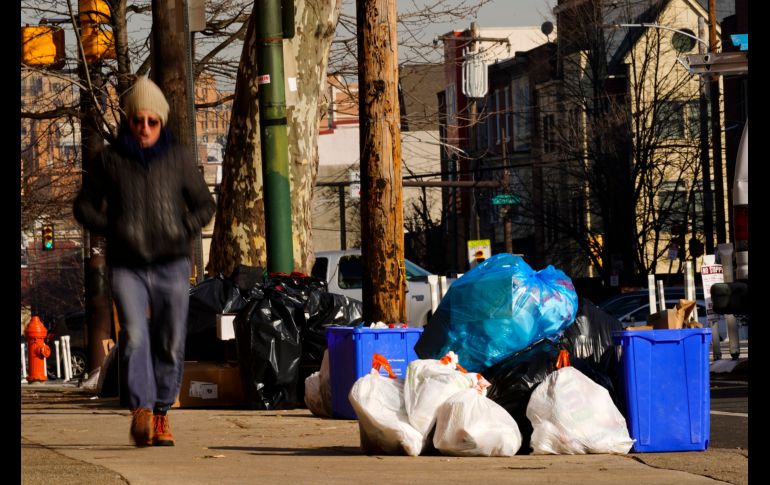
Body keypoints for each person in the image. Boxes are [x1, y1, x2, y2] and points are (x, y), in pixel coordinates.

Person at [73, 76, 216, 447]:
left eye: (152, 121)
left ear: (161, 122)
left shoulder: (178, 158)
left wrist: (182, 226)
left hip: (172, 263)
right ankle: (142, 410)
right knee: (135, 336)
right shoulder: (110, 161)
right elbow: (83, 206)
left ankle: (162, 411)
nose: (145, 128)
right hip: (127, 265)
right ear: (129, 120)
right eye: (138, 120)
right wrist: (111, 227)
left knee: (170, 340)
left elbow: (205, 205)